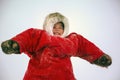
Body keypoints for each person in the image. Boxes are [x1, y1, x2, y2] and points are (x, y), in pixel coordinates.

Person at [1, 12, 112, 80]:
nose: (57, 29)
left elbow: (85, 47)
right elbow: (28, 38)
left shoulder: (72, 40)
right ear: (48, 27)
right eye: (54, 26)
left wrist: (99, 57)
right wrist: (16, 43)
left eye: (60, 27)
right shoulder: (40, 36)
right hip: (37, 77)